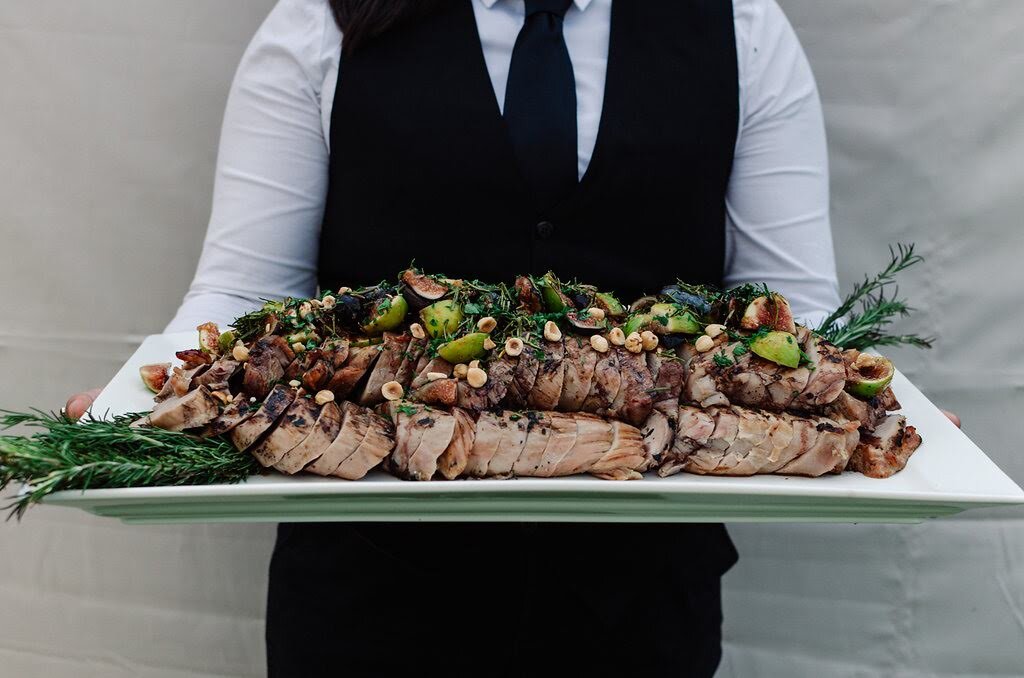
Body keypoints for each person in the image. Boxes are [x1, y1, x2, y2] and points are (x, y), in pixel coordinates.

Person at [64, 0, 960, 675]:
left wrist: (879, 407)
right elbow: (241, 291)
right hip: (367, 596)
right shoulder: (318, 23)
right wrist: (146, 402)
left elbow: (792, 310)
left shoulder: (742, 27)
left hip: (643, 600)